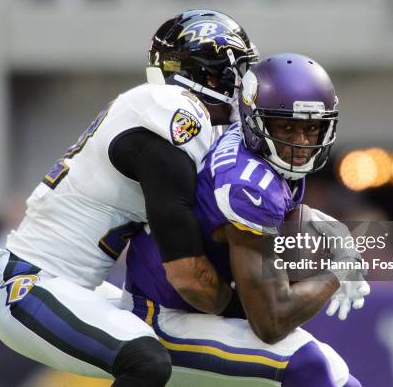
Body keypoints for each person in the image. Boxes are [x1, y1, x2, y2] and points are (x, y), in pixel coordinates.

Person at [0, 9, 257, 387]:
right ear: (206, 74)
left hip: (74, 286)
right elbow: (187, 274)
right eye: (234, 72)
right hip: (30, 285)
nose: (242, 86)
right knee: (146, 361)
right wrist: (246, 305)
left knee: (193, 358)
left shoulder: (169, 116)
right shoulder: (175, 112)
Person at [123, 53, 370, 386]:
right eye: (286, 127)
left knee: (342, 379)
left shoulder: (264, 151)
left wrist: (335, 235)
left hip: (196, 305)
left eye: (312, 128)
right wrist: (339, 271)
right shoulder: (247, 186)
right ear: (257, 120)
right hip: (161, 314)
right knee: (309, 364)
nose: (299, 143)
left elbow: (292, 214)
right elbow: (270, 322)